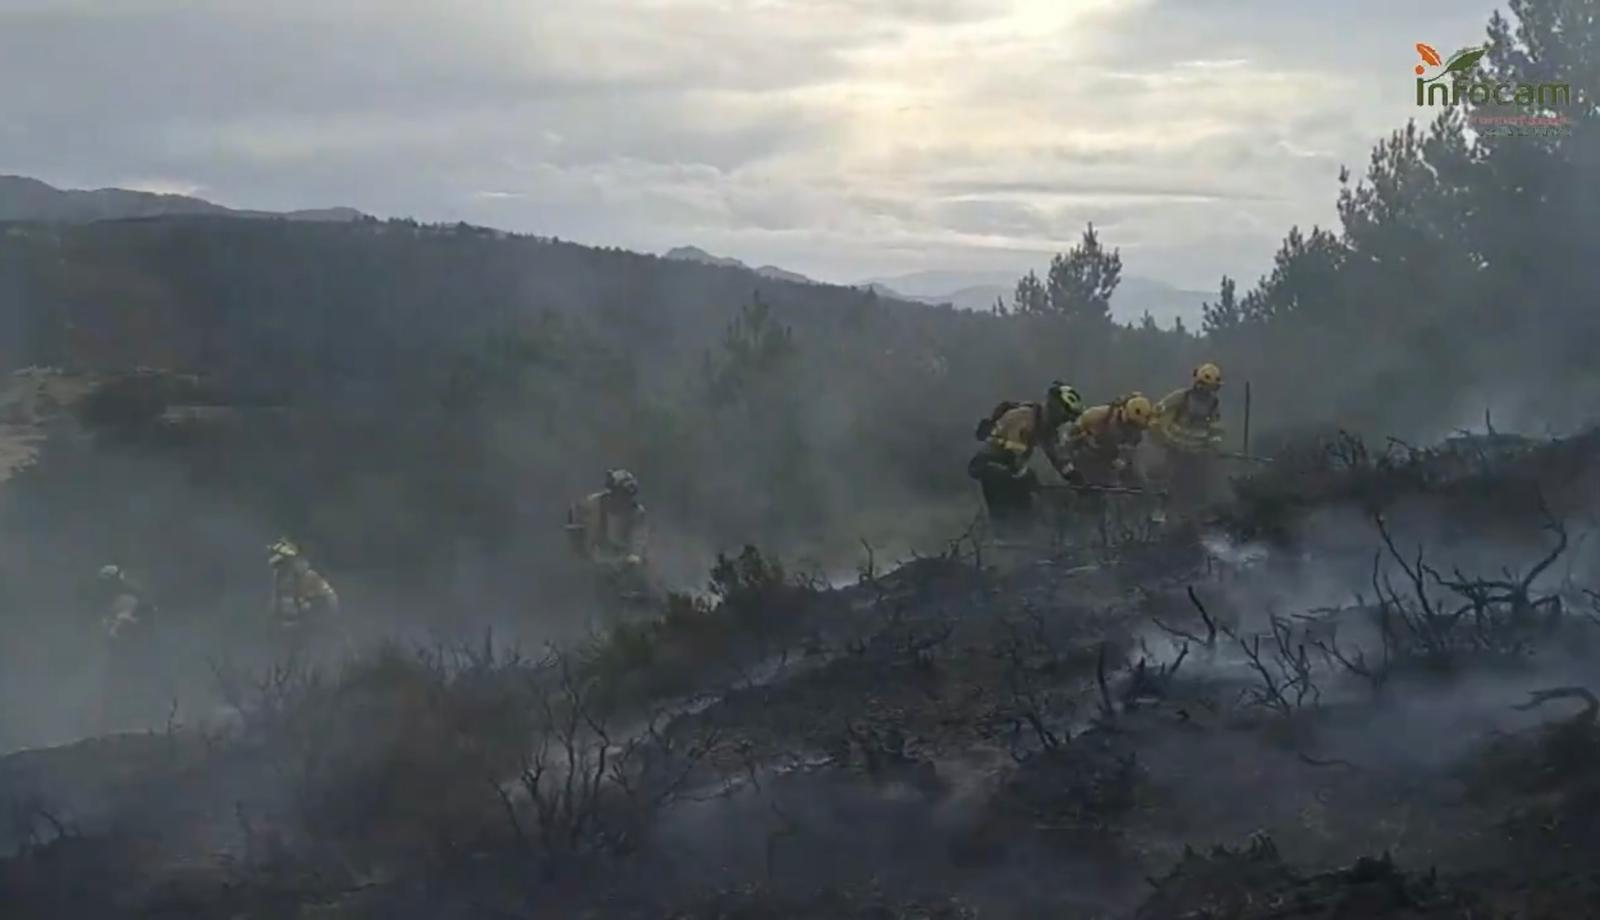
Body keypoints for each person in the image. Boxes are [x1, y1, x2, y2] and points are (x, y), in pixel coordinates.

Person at [967, 381, 1085, 535]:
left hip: (1009, 470)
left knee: (1026, 516)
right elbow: (1013, 456)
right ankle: (1001, 542)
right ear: (1054, 408)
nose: (1064, 421)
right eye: (1064, 416)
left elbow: (1057, 455)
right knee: (1009, 514)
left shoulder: (1044, 425)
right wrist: (1029, 478)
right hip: (991, 466)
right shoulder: (1023, 419)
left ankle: (1017, 540)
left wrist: (1074, 477)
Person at [90, 564, 161, 730]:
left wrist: (117, 629)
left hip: (133, 653)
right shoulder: (121, 599)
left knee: (129, 688)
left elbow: (124, 627)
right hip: (126, 653)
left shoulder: (128, 599)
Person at [566, 470, 652, 603]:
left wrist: (634, 556)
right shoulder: (590, 506)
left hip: (622, 563)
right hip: (590, 563)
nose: (624, 500)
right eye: (621, 494)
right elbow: (575, 530)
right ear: (612, 492)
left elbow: (640, 538)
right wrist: (584, 555)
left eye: (628, 496)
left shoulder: (636, 512)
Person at [1151, 363, 1225, 508]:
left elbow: (1216, 426)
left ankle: (1192, 512)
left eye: (1211, 387)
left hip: (1197, 452)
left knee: (1195, 486)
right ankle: (1163, 509)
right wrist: (1158, 431)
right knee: (1169, 481)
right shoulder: (1183, 397)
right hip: (1175, 448)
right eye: (1204, 386)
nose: (1206, 391)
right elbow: (1159, 409)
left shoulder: (1213, 404)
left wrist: (1215, 444)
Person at [267, 538, 340, 661]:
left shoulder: (310, 578)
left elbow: (329, 602)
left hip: (306, 638)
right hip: (283, 639)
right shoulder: (278, 581)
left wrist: (311, 618)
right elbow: (276, 609)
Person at [1067, 392, 1154, 488]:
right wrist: (1069, 463)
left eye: (1136, 426)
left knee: (1136, 478)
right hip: (1086, 454)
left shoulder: (1136, 431)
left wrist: (1122, 460)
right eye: (1131, 423)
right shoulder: (1096, 416)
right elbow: (1070, 438)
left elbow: (1130, 449)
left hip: (1110, 457)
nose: (1132, 428)